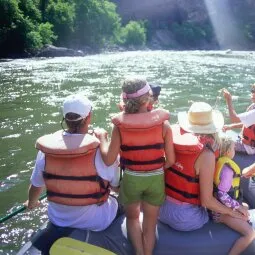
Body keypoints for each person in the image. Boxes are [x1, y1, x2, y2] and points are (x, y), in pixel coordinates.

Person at [96, 77, 175, 255]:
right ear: (148, 98)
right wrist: (154, 167)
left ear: (125, 100)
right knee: (150, 223)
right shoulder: (164, 124)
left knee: (132, 219)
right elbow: (170, 160)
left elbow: (109, 160)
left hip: (131, 179)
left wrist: (102, 139)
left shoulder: (119, 127)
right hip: (155, 179)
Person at [24, 94, 122, 233]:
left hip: (58, 219)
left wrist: (31, 203)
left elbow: (36, 186)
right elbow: (116, 188)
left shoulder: (47, 150)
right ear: (89, 117)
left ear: (65, 119)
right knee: (122, 203)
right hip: (97, 222)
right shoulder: (101, 151)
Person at [159, 102, 247, 232]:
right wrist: (232, 211)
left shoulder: (173, 138)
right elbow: (207, 201)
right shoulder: (206, 155)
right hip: (185, 218)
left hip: (162, 208)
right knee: (233, 209)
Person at [214, 134, 255, 255]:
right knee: (250, 234)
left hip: (222, 207)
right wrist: (238, 207)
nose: (234, 151)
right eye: (233, 149)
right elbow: (222, 194)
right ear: (227, 151)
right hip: (222, 211)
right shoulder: (227, 171)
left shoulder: (218, 163)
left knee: (246, 206)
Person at [222, 85, 255, 155]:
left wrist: (228, 100)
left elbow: (234, 119)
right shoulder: (253, 106)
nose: (253, 93)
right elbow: (246, 123)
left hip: (248, 147)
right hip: (242, 139)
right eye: (252, 91)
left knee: (220, 143)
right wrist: (231, 126)